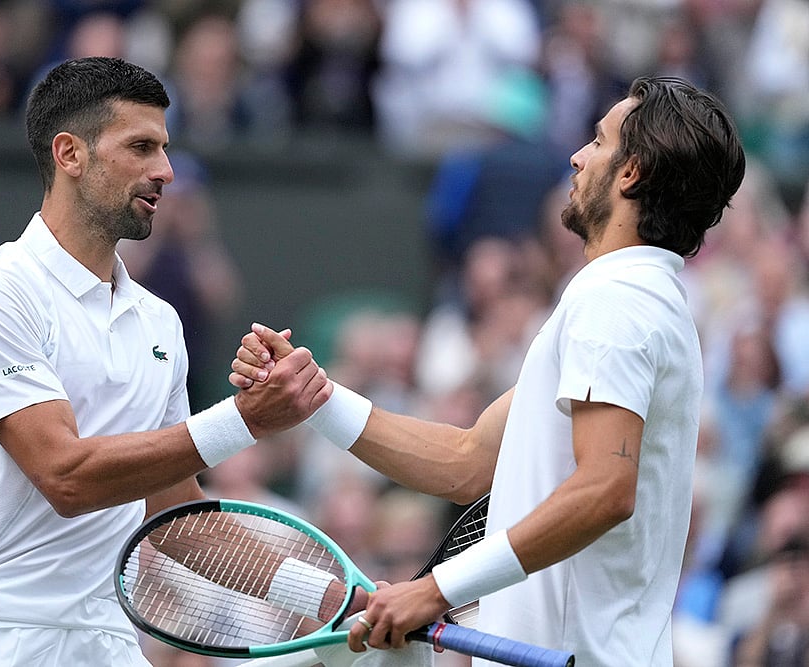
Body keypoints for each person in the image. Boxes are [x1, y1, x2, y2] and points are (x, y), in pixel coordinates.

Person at [230, 76, 747, 665]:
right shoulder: (634, 298)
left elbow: (607, 488)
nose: (577, 157)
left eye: (598, 143)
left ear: (631, 173)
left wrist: (435, 590)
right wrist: (314, 399)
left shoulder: (617, 300)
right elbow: (467, 461)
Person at [0, 56, 334, 667]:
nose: (166, 171)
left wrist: (336, 599)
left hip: (104, 640)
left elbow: (180, 518)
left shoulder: (159, 322)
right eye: (141, 147)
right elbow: (66, 477)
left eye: (164, 148)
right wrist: (245, 420)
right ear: (70, 154)